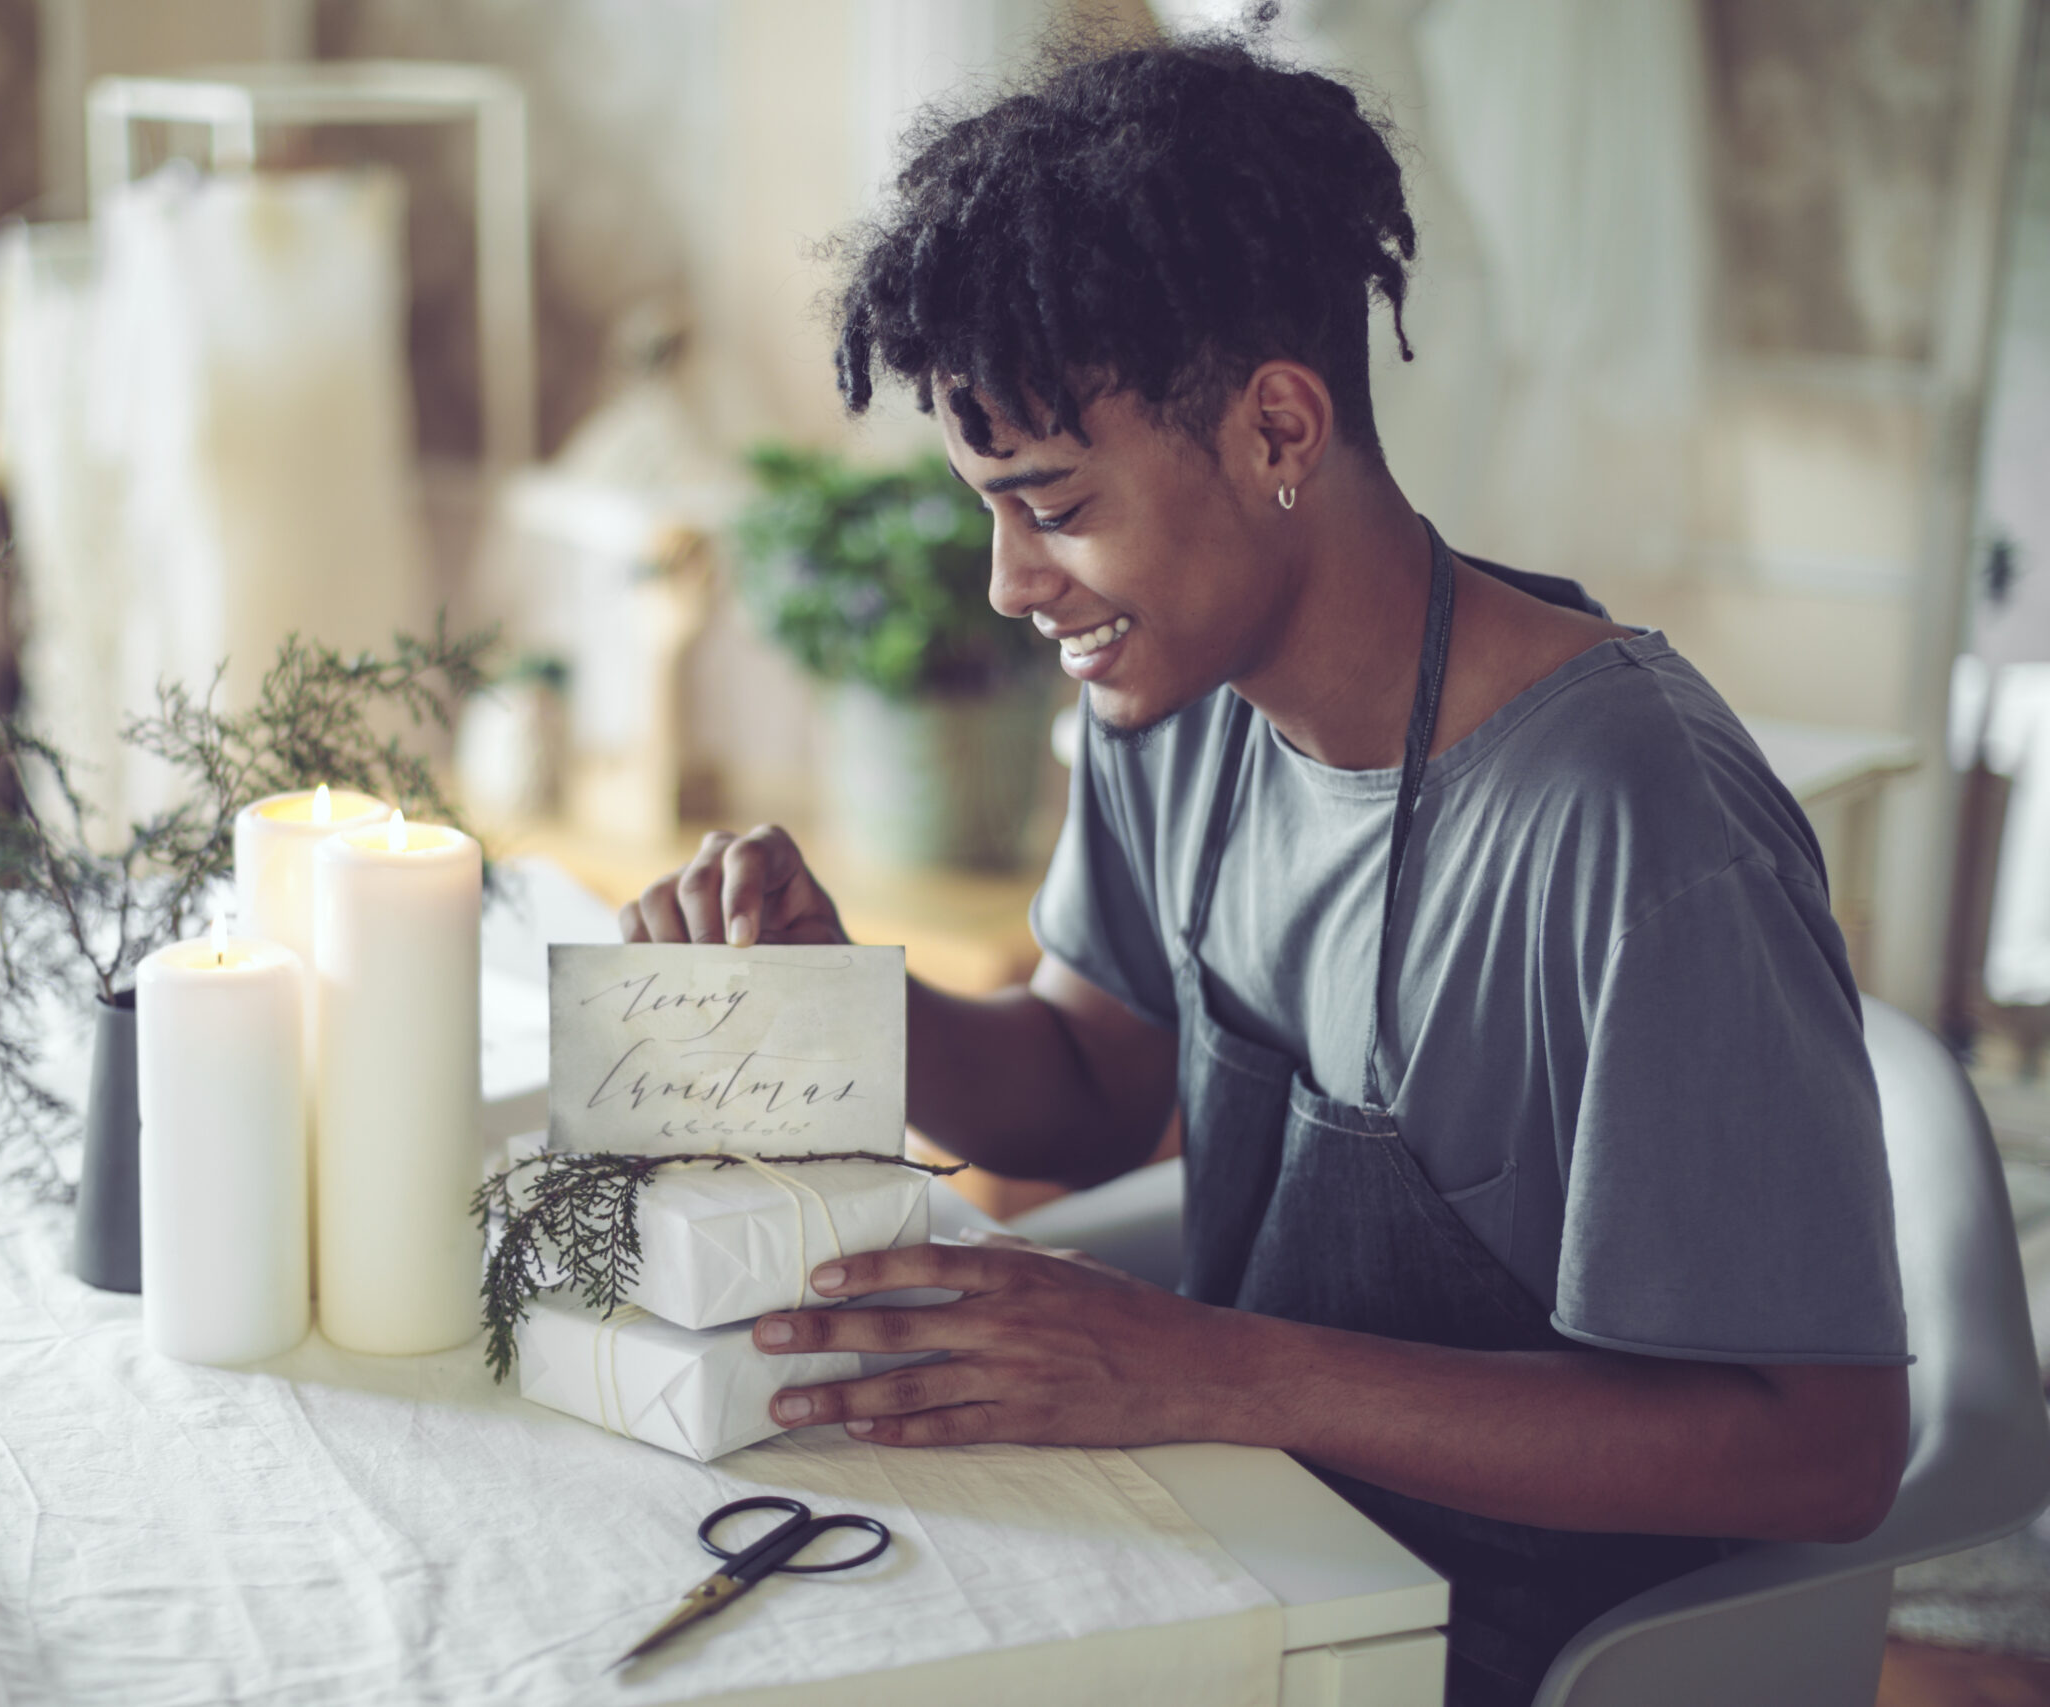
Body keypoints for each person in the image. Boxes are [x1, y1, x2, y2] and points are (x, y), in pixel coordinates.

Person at [621, 27, 1911, 1707]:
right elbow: (1092, 1081)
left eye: (1056, 505)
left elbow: (1820, 1450)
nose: (1013, 585)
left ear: (1278, 429)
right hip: (1240, 1546)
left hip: (1507, 1646)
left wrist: (1211, 1369)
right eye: (989, 509)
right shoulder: (1178, 707)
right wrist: (837, 1005)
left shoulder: (1631, 821)